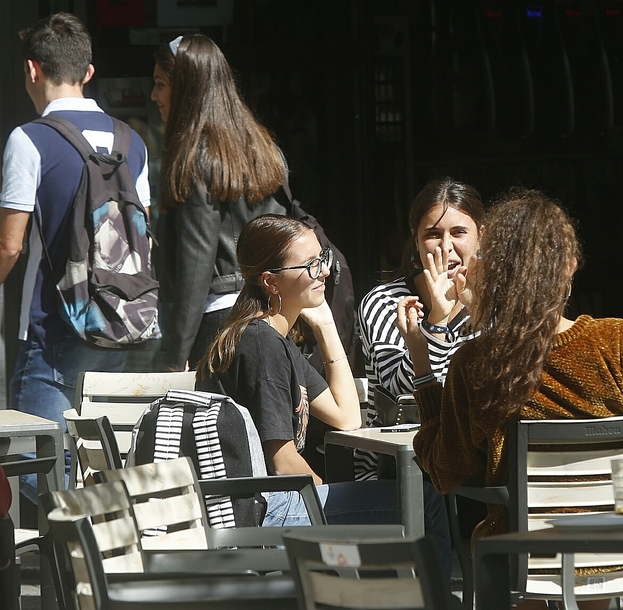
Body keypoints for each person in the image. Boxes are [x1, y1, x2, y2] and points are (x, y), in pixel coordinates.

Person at [402, 190, 623, 609]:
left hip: (520, 562)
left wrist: (423, 371)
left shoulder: (475, 364)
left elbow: (446, 469)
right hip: (621, 554)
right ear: (571, 265)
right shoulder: (616, 341)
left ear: (486, 270)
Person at [196, 214, 453, 585]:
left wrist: (326, 324)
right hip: (267, 512)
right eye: (311, 265)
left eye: (324, 258)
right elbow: (283, 463)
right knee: (423, 503)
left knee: (400, 506)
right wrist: (333, 507)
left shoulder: (270, 337)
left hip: (266, 506)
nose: (325, 272)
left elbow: (347, 417)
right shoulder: (261, 344)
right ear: (271, 281)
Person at [0, 13, 151, 503]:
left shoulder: (30, 139)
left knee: (37, 474)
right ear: (88, 73)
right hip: (125, 324)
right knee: (102, 468)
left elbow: (10, 245)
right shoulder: (135, 143)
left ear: (31, 70)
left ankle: (59, 576)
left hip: (52, 328)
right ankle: (96, 568)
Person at [152, 34, 290, 372]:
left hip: (217, 321)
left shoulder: (198, 158)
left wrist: (176, 355)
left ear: (185, 88)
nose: (154, 96)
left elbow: (196, 264)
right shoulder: (263, 148)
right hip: (270, 313)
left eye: (160, 84)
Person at [357, 178, 485, 479]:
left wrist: (479, 310)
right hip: (401, 472)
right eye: (432, 234)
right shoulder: (385, 301)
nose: (446, 246)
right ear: (416, 240)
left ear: (481, 237)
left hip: (477, 464)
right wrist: (436, 322)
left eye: (458, 233)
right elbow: (399, 394)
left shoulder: (497, 305)